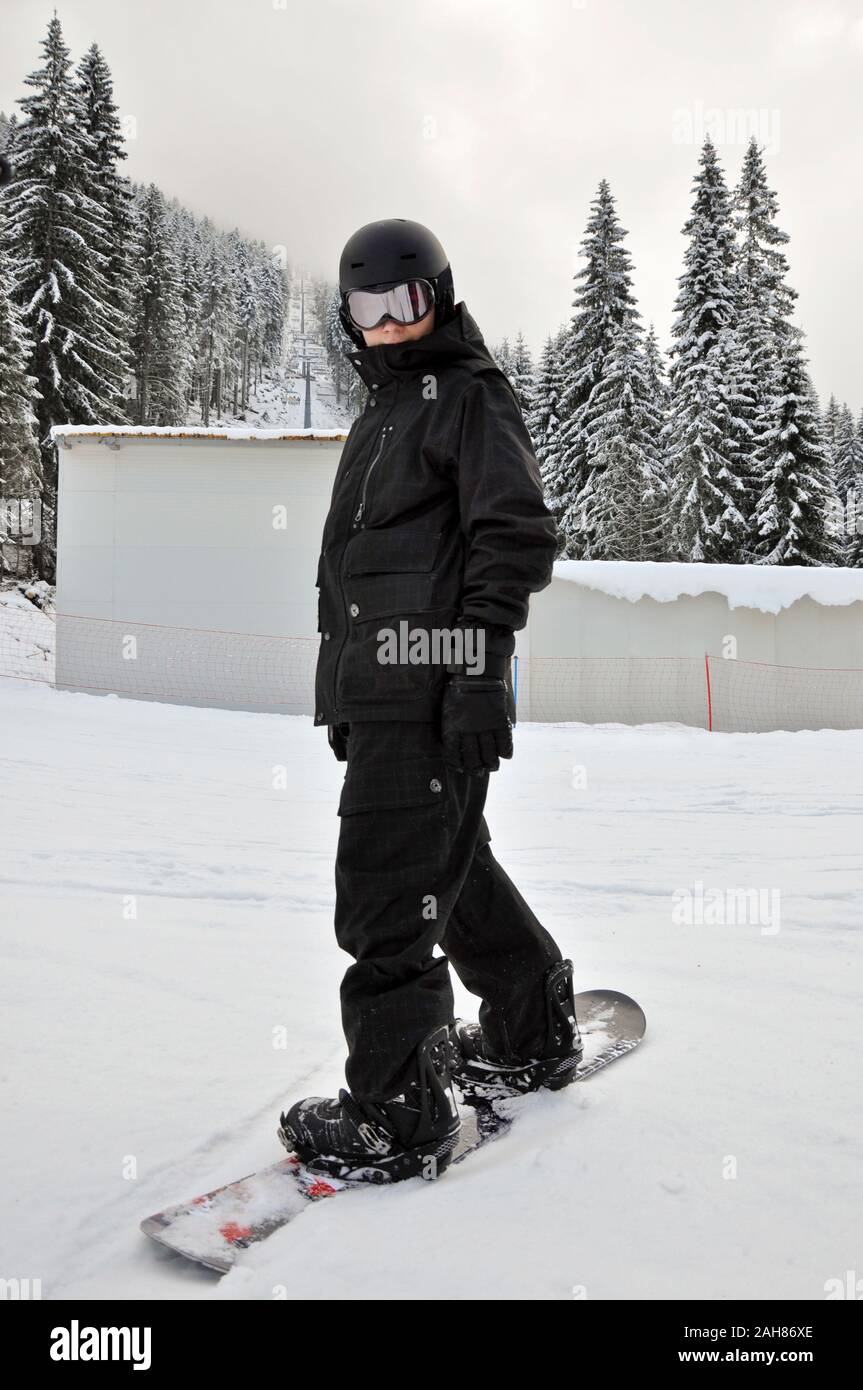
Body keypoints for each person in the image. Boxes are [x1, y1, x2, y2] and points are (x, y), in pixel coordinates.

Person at [279, 218, 582, 1183]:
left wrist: (480, 672)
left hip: (433, 687)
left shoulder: (464, 397)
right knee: (448, 868)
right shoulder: (385, 411)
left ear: (438, 299)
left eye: (403, 303)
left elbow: (515, 536)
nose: (386, 324)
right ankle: (528, 1025)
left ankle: (395, 1113)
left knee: (384, 900)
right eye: (366, 308)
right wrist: (346, 699)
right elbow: (363, 571)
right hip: (387, 692)